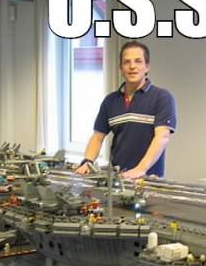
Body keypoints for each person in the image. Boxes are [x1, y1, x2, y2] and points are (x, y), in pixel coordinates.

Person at [75, 41, 177, 180]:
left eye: (138, 61)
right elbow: (98, 136)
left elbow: (162, 137)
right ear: (121, 67)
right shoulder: (110, 101)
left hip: (148, 180)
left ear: (147, 66)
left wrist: (140, 169)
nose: (132, 66)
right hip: (118, 178)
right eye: (126, 62)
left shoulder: (162, 97)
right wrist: (88, 161)